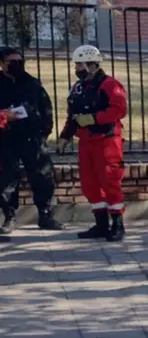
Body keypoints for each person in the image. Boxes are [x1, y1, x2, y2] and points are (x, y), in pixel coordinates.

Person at [58, 45, 129, 242]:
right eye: (76, 65)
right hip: (86, 142)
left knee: (110, 181)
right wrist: (65, 136)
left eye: (79, 64)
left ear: (91, 64)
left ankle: (117, 224)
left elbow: (119, 110)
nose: (76, 68)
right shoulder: (78, 88)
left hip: (106, 141)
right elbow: (73, 115)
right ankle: (101, 224)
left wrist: (94, 118)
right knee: (90, 184)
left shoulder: (110, 85)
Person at [0, 47, 64, 234]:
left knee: (43, 176)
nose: (17, 65)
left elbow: (45, 108)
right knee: (7, 178)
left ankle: (45, 215)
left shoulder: (32, 83)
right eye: (12, 62)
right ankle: (9, 216)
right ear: (2, 64)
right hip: (6, 139)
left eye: (20, 61)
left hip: (32, 138)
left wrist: (44, 132)